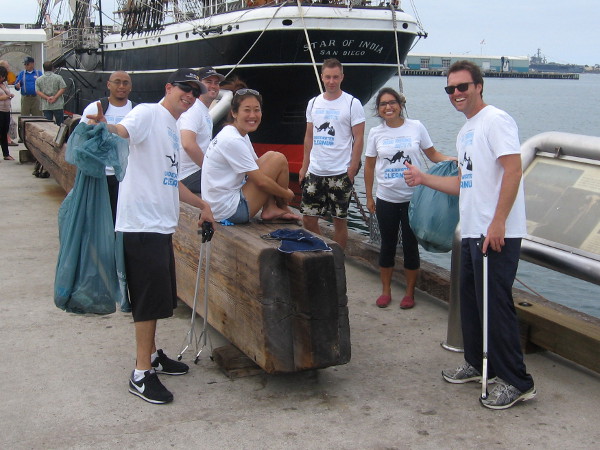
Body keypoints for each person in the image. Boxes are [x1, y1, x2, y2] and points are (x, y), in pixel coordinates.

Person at [403, 60, 536, 410]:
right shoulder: (465, 132)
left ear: (479, 86)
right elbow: (462, 182)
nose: (456, 94)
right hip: (472, 232)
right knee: (471, 304)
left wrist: (499, 222)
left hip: (495, 233)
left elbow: (513, 169)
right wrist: (423, 179)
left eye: (463, 87)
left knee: (496, 307)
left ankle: (517, 381)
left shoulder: (496, 120)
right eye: (450, 89)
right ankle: (479, 364)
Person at [86, 68, 216, 405]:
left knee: (159, 298)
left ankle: (154, 355)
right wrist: (105, 126)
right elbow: (122, 131)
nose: (189, 96)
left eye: (194, 92)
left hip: (160, 226)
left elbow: (172, 183)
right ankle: (141, 373)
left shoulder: (172, 127)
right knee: (146, 301)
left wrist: (202, 204)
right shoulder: (146, 112)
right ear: (168, 87)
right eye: (184, 89)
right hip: (140, 225)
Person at [364, 87, 454, 310]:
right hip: (386, 198)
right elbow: (369, 165)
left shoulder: (416, 127)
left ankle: (410, 293)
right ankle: (385, 290)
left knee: (412, 246)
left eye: (392, 102)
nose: (388, 107)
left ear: (400, 104)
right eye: (383, 104)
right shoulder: (376, 133)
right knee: (387, 245)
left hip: (414, 199)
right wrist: (368, 196)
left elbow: (433, 155)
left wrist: (454, 160)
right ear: (378, 109)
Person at [201, 84, 300, 224]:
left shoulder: (237, 133)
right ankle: (281, 206)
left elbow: (258, 168)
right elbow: (260, 181)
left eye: (257, 110)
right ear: (234, 113)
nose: (253, 115)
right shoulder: (232, 139)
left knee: (273, 157)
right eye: (247, 110)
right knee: (278, 159)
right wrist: (287, 194)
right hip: (230, 212)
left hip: (220, 206)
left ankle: (271, 207)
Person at [299, 58, 365, 249]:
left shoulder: (353, 103)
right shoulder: (313, 103)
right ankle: (324, 251)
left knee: (339, 222)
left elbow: (359, 138)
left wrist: (352, 168)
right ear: (322, 77)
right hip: (315, 170)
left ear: (342, 77)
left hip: (340, 173)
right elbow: (309, 137)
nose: (331, 81)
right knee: (308, 220)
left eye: (335, 77)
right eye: (328, 77)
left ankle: (337, 262)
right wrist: (304, 167)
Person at [80, 71, 135, 222]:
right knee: (96, 220)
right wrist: (90, 129)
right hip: (100, 175)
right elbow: (80, 139)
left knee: (120, 220)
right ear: (108, 84)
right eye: (117, 82)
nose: (121, 86)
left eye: (126, 83)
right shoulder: (95, 108)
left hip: (125, 177)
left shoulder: (136, 111)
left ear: (131, 87)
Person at [177, 66, 225, 194]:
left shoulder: (204, 112)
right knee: (238, 177)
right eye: (208, 82)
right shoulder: (193, 110)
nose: (213, 86)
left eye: (216, 83)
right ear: (199, 86)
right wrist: (209, 169)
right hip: (187, 176)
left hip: (194, 172)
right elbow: (187, 143)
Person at [35, 61, 67, 126]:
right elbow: (63, 88)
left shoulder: (38, 79)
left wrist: (47, 98)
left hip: (46, 105)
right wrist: (55, 97)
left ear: (43, 68)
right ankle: (60, 135)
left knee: (48, 125)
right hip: (58, 104)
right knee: (60, 124)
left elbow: (38, 91)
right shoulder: (58, 77)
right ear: (52, 68)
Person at [0, 61, 18, 147]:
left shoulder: (4, 83)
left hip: (6, 110)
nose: (9, 69)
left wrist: (10, 95)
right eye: (7, 68)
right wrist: (6, 97)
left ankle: (6, 153)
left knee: (4, 131)